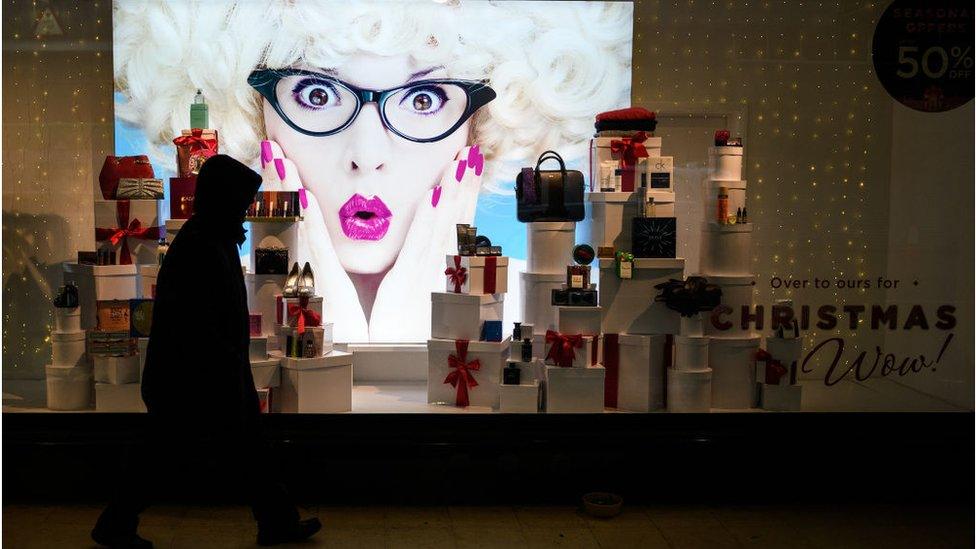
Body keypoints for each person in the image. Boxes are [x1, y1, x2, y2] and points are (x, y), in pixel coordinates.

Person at [113, 0, 633, 343]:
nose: (366, 153)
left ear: (477, 125)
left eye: (424, 98)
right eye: (316, 94)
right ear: (254, 112)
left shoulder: (532, 305)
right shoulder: (225, 294)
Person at [92, 155, 321, 548]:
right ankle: (117, 522)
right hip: (197, 377)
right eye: (243, 202)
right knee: (176, 454)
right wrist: (229, 377)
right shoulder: (206, 244)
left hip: (197, 374)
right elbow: (200, 322)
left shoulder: (210, 237)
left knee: (200, 452)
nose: (248, 211)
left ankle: (275, 520)